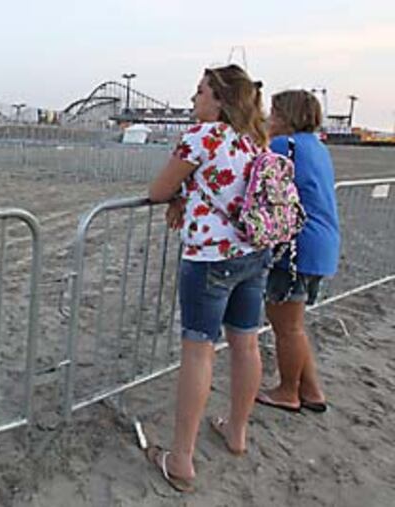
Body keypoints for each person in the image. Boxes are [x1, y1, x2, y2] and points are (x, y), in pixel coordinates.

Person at [145, 64, 271, 493]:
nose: (193, 98)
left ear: (219, 99)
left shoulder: (203, 135)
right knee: (246, 343)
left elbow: (158, 189)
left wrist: (179, 193)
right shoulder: (254, 140)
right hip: (253, 253)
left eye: (200, 91)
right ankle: (236, 431)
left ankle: (181, 459)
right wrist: (190, 192)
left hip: (211, 258)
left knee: (199, 352)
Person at [256, 90, 340, 413]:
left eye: (272, 112)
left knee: (286, 326)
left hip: (295, 247)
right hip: (321, 244)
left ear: (285, 116)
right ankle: (312, 390)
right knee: (295, 325)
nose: (267, 118)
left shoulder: (283, 146)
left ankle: (288, 391)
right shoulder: (317, 147)